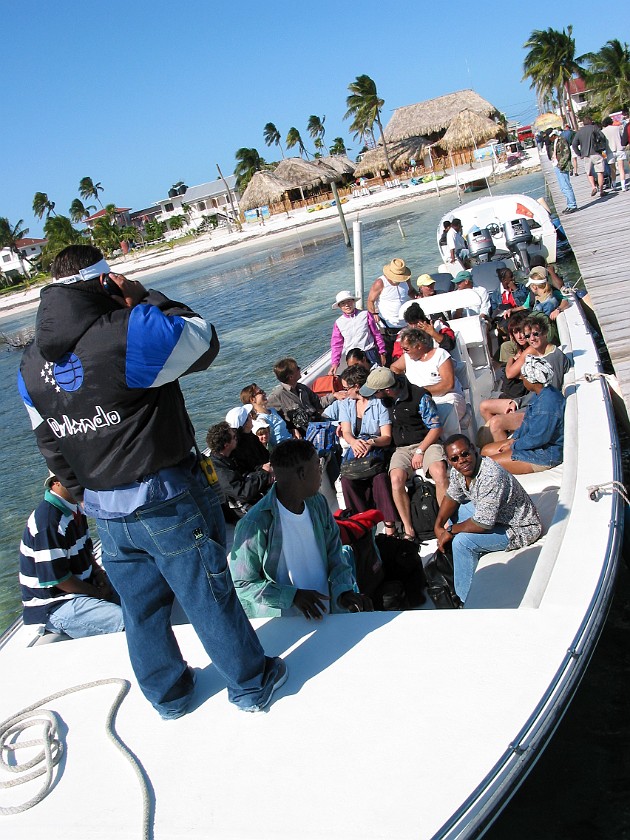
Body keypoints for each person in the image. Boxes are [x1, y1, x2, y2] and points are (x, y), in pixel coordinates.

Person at [18, 244, 286, 718]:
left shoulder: (29, 364)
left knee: (141, 610)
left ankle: (170, 697)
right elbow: (203, 339)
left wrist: (89, 494)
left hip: (106, 511)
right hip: (166, 499)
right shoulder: (127, 330)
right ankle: (251, 683)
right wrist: (147, 297)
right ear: (105, 281)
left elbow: (51, 442)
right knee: (207, 592)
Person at [229, 439, 373, 618]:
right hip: (286, 625)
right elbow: (242, 583)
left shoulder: (318, 503)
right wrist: (293, 596)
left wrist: (344, 591)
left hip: (327, 614)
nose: (321, 470)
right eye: (317, 466)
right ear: (302, 473)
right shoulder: (255, 524)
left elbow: (334, 552)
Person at [434, 435, 542, 604]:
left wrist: (449, 531)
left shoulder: (491, 475)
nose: (461, 460)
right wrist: (438, 525)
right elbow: (452, 497)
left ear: (473, 449)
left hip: (519, 528)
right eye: (455, 458)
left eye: (465, 454)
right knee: (455, 511)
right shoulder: (458, 471)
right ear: (449, 461)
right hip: (494, 517)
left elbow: (482, 524)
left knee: (461, 542)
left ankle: (466, 601)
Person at [19, 474, 124, 638]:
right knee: (126, 621)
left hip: (83, 588)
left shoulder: (75, 509)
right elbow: (58, 579)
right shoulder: (48, 522)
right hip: (55, 604)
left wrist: (99, 574)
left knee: (142, 598)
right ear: (56, 483)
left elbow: (87, 551)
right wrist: (96, 592)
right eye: (73, 477)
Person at [359, 367, 448, 541]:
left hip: (426, 443)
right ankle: (409, 530)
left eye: (374, 393)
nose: (372, 396)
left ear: (386, 390)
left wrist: (421, 451)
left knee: (439, 472)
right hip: (402, 448)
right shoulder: (385, 400)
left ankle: (445, 524)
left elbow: (436, 427)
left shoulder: (419, 397)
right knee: (396, 479)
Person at [480, 316, 570, 442]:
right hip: (531, 401)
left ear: (545, 332)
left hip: (541, 410)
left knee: (496, 423)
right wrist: (516, 402)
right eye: (528, 336)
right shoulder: (541, 353)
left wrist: (519, 405)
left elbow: (548, 395)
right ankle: (503, 441)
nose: (531, 339)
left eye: (535, 334)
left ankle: (508, 452)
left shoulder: (553, 358)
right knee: (485, 407)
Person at [336, 365, 397, 536]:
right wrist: (354, 442)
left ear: (357, 386)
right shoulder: (346, 404)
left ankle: (390, 526)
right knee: (347, 480)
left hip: (376, 446)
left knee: (380, 478)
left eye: (346, 388)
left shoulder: (378, 403)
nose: (345, 391)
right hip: (356, 448)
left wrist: (371, 443)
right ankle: (361, 524)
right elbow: (346, 432)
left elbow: (386, 437)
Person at [482, 356, 565, 474]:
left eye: (523, 377)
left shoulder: (547, 405)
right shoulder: (540, 394)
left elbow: (538, 438)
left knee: (487, 466)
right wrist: (514, 439)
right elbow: (527, 425)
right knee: (485, 451)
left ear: (532, 380)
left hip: (545, 454)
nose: (521, 379)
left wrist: (513, 446)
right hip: (535, 445)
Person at [390, 327, 466, 435]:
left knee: (441, 413)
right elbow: (394, 368)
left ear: (418, 346)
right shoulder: (406, 357)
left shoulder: (440, 355)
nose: (404, 352)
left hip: (446, 397)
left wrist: (420, 392)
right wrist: (402, 382)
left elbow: (448, 384)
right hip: (419, 400)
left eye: (406, 349)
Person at [206, 421, 273, 517]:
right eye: (234, 437)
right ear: (226, 445)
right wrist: (264, 473)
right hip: (236, 505)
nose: (236, 438)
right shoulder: (219, 470)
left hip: (246, 492)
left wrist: (267, 469)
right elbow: (242, 493)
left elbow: (250, 469)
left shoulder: (230, 455)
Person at [267, 357, 345, 435]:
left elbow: (318, 403)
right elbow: (266, 413)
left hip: (320, 420)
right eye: (297, 368)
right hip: (312, 431)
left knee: (345, 403)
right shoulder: (277, 396)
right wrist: (291, 430)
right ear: (291, 376)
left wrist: (335, 395)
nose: (300, 369)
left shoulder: (302, 388)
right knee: (345, 426)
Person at [367, 258, 418, 361]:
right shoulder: (380, 283)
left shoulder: (406, 280)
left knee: (408, 355)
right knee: (389, 358)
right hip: (387, 328)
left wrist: (418, 297)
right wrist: (374, 313)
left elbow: (411, 291)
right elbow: (370, 301)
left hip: (405, 326)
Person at [328, 290, 385, 375]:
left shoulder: (365, 314)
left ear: (353, 301)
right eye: (343, 303)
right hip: (352, 358)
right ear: (339, 306)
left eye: (349, 301)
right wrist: (335, 363)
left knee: (377, 377)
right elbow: (336, 345)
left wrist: (382, 352)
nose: (347, 305)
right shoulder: (339, 323)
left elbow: (376, 334)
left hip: (369, 353)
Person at [239, 383, 292, 448]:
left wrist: (293, 430)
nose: (264, 393)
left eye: (263, 391)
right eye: (261, 392)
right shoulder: (260, 421)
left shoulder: (272, 410)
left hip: (292, 441)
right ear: (252, 399)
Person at [225, 404, 271, 474]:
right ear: (246, 423)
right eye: (249, 416)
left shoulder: (250, 436)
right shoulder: (240, 447)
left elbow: (266, 455)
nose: (251, 416)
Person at [572, 116, 608, 198]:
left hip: (586, 155)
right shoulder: (594, 128)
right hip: (596, 153)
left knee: (589, 172)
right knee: (600, 172)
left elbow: (574, 144)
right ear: (591, 121)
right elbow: (602, 136)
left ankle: (593, 187)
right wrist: (602, 146)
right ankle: (602, 190)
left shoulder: (579, 132)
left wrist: (579, 153)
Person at [549, 128, 578, 213]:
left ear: (554, 135)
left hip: (562, 166)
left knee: (566, 186)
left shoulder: (562, 140)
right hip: (556, 165)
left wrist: (560, 165)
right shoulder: (554, 142)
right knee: (563, 187)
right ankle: (569, 204)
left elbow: (566, 153)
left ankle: (572, 205)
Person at [601, 116, 627, 192]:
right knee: (621, 169)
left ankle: (614, 185)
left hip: (610, 151)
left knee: (613, 170)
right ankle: (623, 186)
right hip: (619, 149)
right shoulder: (617, 128)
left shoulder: (603, 131)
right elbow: (622, 137)